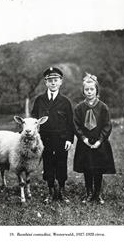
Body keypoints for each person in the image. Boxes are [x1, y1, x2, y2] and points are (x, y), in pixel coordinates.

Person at [31, 67, 74, 203]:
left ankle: (61, 191)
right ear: (46, 82)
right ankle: (50, 192)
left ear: (61, 82)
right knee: (48, 164)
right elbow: (33, 120)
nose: (53, 83)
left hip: (61, 139)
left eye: (56, 80)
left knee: (61, 164)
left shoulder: (65, 102)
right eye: (50, 80)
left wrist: (69, 139)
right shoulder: (39, 100)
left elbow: (70, 123)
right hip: (45, 139)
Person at [73, 73, 116, 204]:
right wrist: (83, 138)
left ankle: (97, 193)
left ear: (96, 90)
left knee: (98, 168)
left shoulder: (103, 107)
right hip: (84, 143)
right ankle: (89, 192)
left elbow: (107, 125)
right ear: (83, 91)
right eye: (87, 89)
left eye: (92, 89)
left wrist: (100, 140)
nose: (89, 92)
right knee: (87, 168)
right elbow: (76, 125)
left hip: (99, 143)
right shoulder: (79, 108)